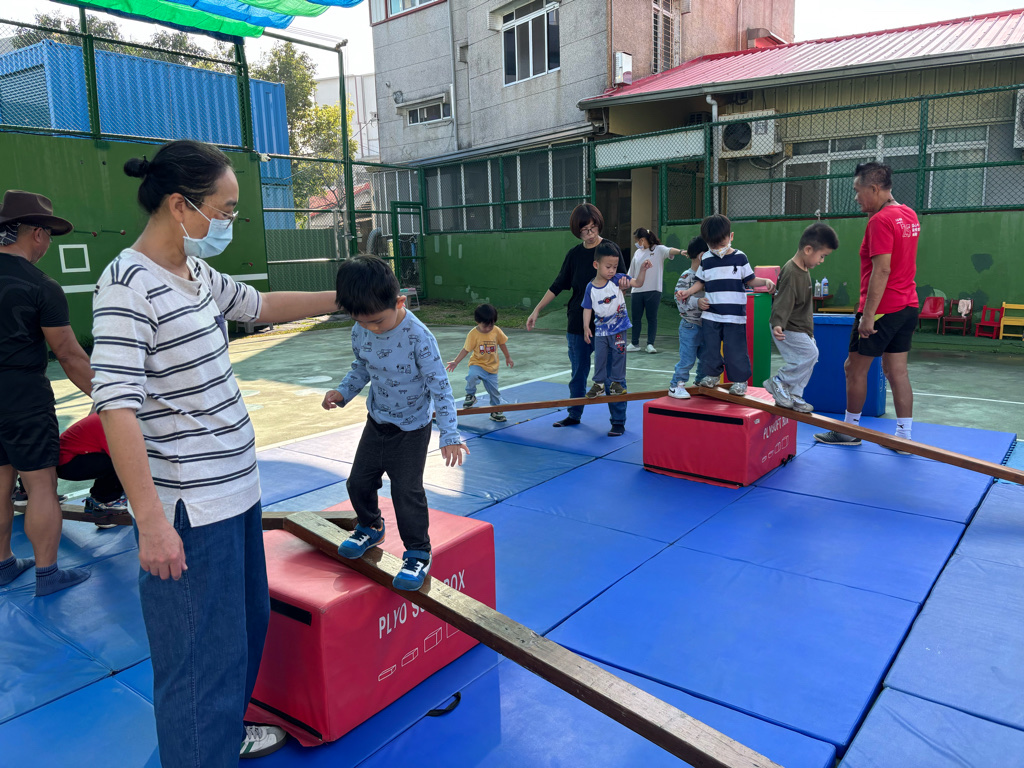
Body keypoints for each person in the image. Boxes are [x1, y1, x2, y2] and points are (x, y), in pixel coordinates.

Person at [91, 139, 343, 765]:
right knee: (197, 662)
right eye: (225, 210)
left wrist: (348, 299)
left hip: (236, 495)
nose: (231, 221)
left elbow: (261, 307)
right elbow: (116, 408)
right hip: (188, 512)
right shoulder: (126, 286)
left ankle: (222, 736)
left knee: (242, 636)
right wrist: (152, 522)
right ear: (181, 205)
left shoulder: (197, 275)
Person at [324, 256, 469, 591]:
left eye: (377, 320)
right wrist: (343, 392)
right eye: (362, 322)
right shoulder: (361, 329)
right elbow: (361, 367)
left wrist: (450, 434)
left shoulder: (419, 337)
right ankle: (371, 527)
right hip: (377, 420)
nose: (372, 328)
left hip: (412, 428)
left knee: (406, 491)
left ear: (399, 302)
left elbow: (441, 388)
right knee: (358, 483)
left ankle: (418, 552)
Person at [0, 189, 95, 596]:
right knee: (41, 485)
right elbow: (70, 355)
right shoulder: (41, 285)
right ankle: (47, 573)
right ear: (36, 233)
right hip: (24, 399)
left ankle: (3, 564)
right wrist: (110, 397)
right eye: (49, 236)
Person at [816, 162, 919, 450]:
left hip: (883, 308)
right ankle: (904, 437)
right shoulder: (909, 214)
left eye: (858, 191)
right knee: (897, 372)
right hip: (907, 305)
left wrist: (868, 316)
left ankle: (849, 431)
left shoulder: (880, 221)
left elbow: (882, 270)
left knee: (854, 368)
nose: (856, 197)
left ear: (873, 189)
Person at [525, 204, 628, 432]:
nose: (590, 234)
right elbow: (558, 284)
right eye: (584, 230)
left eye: (593, 228)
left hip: (608, 326)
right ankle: (574, 414)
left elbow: (623, 280)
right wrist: (537, 310)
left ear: (599, 224)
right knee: (578, 374)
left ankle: (618, 421)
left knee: (613, 376)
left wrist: (624, 284)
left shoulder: (610, 249)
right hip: (578, 324)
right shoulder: (574, 255)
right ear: (577, 231)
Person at [676, 214, 775, 396]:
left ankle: (740, 381)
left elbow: (750, 280)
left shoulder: (740, 257)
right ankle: (712, 375)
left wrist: (765, 281)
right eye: (713, 245)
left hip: (734, 316)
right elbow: (700, 282)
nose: (717, 249)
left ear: (731, 236)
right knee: (710, 349)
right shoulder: (707, 259)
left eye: (721, 244)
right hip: (711, 315)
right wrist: (688, 292)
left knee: (735, 350)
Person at [764, 223, 840, 413]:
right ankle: (779, 381)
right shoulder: (792, 272)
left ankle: (794, 393)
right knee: (810, 354)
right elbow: (783, 300)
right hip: (788, 326)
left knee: (811, 358)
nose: (822, 261)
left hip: (801, 327)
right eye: (822, 256)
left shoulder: (803, 268)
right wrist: (778, 323)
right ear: (808, 250)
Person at [581, 244, 650, 435]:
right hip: (601, 331)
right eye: (608, 267)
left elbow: (638, 283)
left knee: (619, 356)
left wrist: (643, 270)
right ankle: (599, 384)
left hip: (619, 328)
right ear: (596, 265)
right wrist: (586, 326)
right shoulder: (590, 287)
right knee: (600, 358)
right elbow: (587, 308)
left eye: (614, 266)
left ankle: (617, 382)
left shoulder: (618, 279)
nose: (612, 270)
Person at [446, 303, 514, 423]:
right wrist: (456, 361)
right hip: (477, 364)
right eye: (485, 326)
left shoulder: (496, 331)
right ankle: (471, 396)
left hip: (492, 368)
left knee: (495, 393)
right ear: (478, 322)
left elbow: (502, 343)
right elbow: (466, 349)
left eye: (491, 325)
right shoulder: (473, 334)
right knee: (472, 376)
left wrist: (508, 357)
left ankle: (495, 411)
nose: (488, 328)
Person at [56, 413, 127, 527]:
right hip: (66, 463)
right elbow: (122, 460)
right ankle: (104, 501)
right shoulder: (111, 424)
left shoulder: (111, 416)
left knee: (118, 460)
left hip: (69, 459)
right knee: (118, 462)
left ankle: (98, 499)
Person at [667, 236, 711, 400]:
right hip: (690, 326)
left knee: (707, 357)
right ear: (702, 256)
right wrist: (696, 302)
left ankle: (701, 383)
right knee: (687, 359)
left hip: (706, 325)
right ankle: (676, 385)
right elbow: (679, 300)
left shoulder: (708, 277)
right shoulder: (687, 276)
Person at [626, 227, 682, 354]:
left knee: (652, 318)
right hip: (636, 291)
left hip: (653, 290)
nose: (637, 243)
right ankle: (634, 343)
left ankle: (650, 344)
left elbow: (670, 250)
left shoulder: (658, 249)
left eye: (637, 240)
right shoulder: (637, 253)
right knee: (636, 318)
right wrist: (624, 285)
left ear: (642, 239)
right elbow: (630, 273)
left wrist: (681, 251)